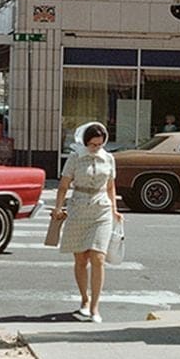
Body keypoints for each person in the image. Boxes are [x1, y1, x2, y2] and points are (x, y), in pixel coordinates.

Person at [55, 122, 122, 322]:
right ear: (85, 142)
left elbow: (111, 187)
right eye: (93, 144)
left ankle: (95, 307)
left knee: (98, 258)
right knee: (81, 259)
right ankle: (84, 299)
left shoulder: (108, 158)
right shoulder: (75, 158)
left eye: (100, 144)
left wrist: (115, 210)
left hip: (101, 210)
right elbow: (63, 185)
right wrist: (59, 207)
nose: (96, 148)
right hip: (78, 208)